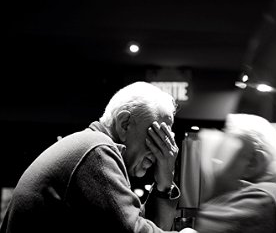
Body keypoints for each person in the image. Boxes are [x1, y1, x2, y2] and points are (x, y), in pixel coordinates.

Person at [1, 82, 181, 233]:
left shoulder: (90, 145)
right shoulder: (96, 150)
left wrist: (164, 183)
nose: (165, 151)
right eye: (159, 137)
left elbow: (142, 225)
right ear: (124, 124)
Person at [193, 113, 276, 233]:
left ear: (252, 162)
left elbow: (199, 227)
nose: (216, 161)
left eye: (225, 152)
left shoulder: (262, 198)